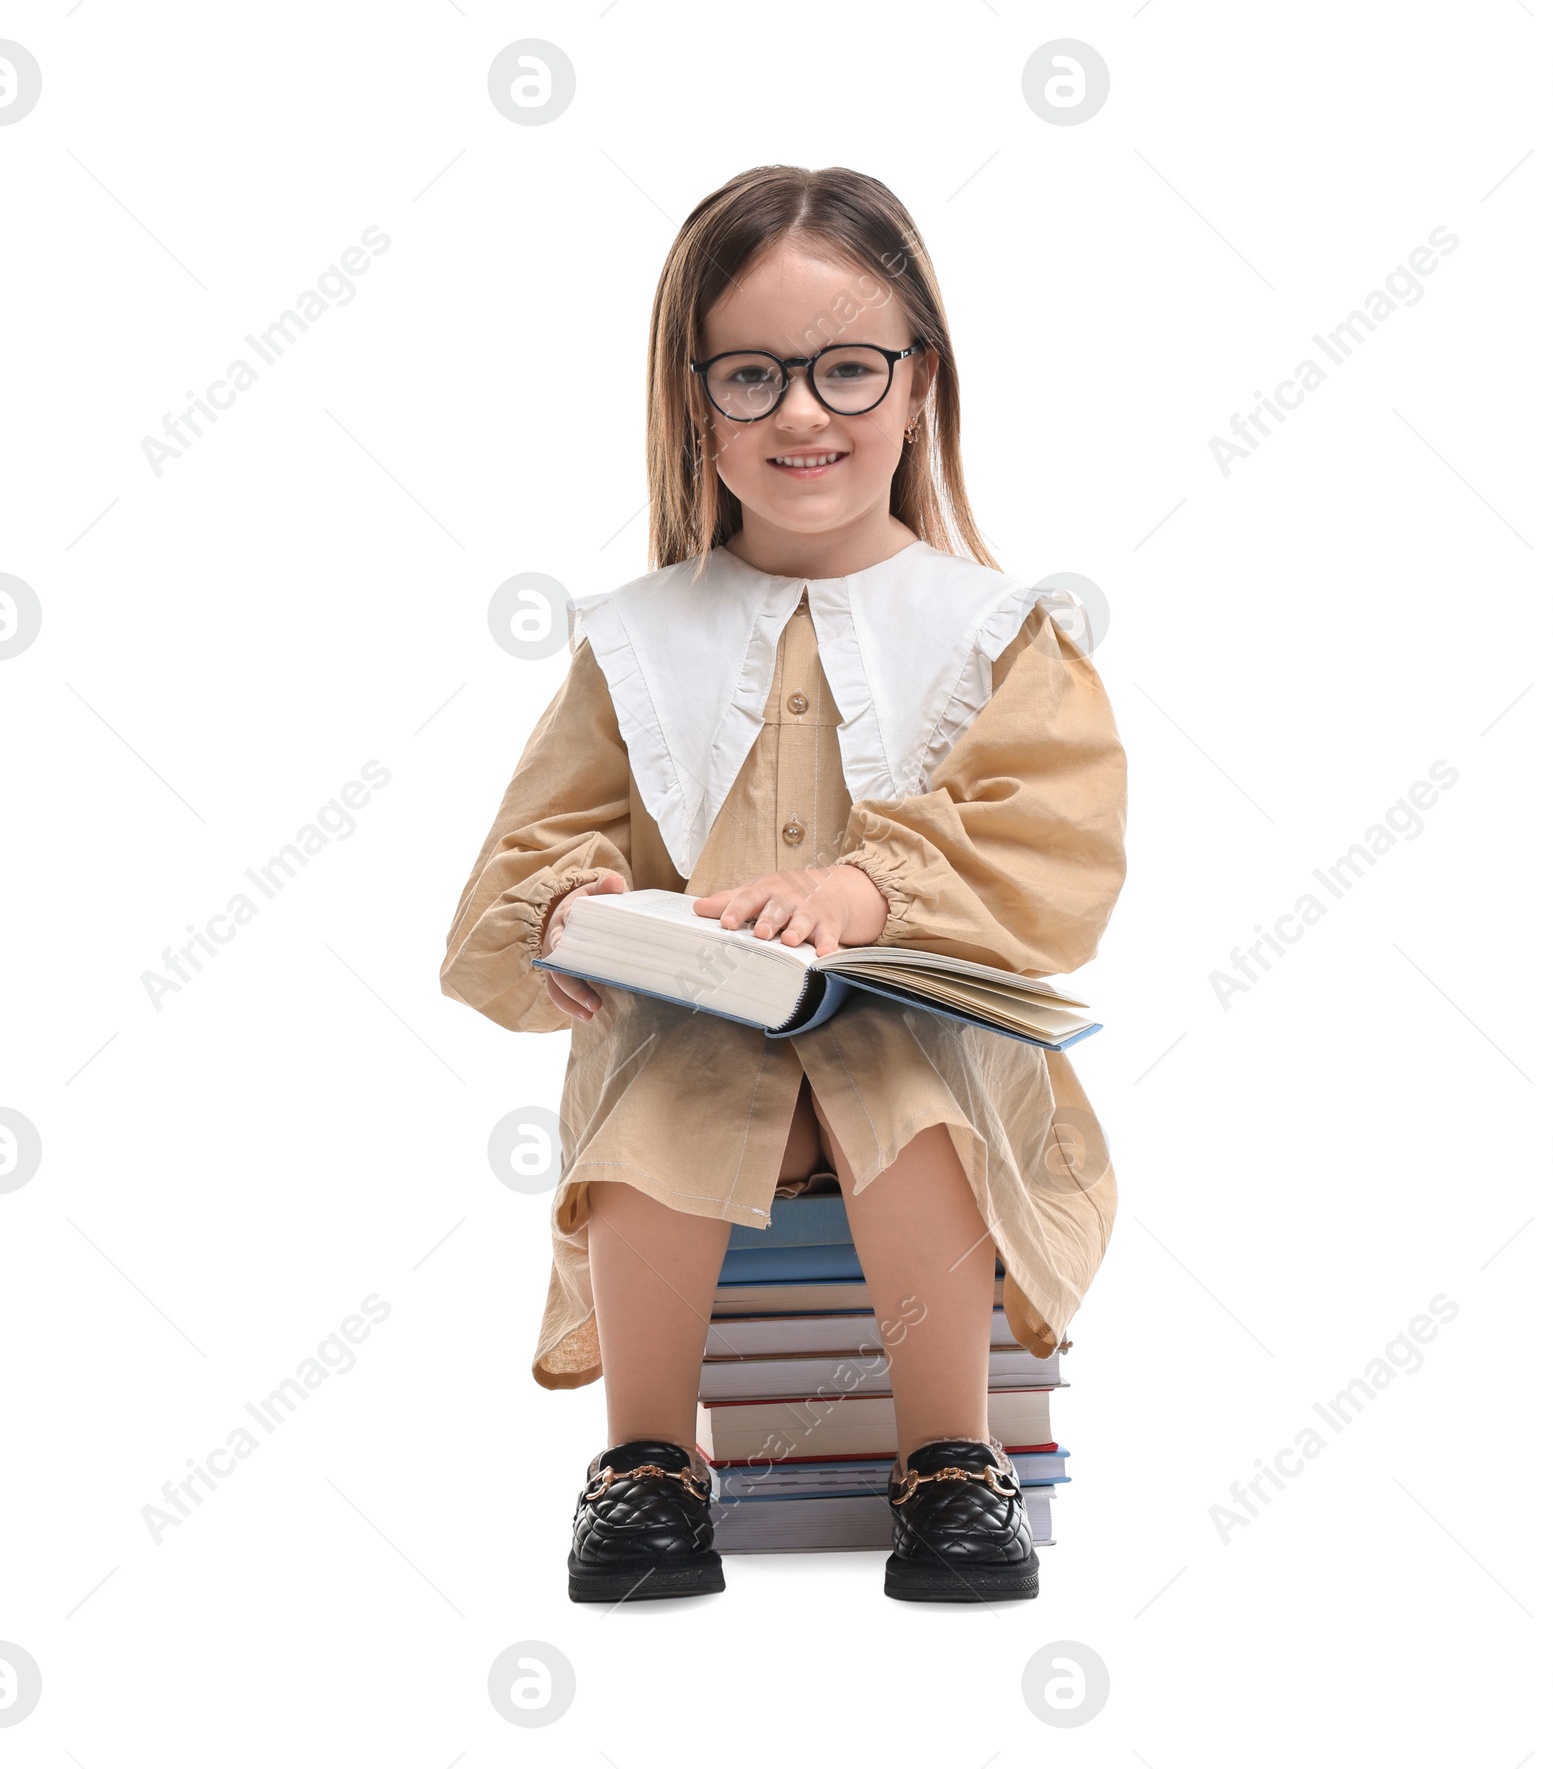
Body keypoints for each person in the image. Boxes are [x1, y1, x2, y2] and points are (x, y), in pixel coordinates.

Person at [440, 164, 1128, 1605]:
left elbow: (1051, 839)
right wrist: (566, 912)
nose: (803, 413)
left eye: (847, 369)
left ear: (920, 381)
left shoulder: (998, 630)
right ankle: (645, 1458)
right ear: (695, 401)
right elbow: (530, 847)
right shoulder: (633, 643)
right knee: (659, 1115)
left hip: (923, 1038)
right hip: (697, 1033)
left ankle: (950, 1454)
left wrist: (871, 895)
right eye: (751, 376)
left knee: (914, 1100)